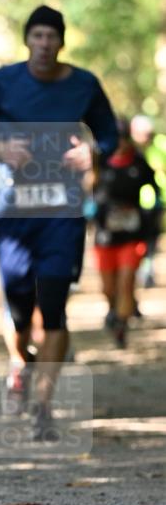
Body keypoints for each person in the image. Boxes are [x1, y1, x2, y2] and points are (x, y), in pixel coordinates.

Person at [0, 5, 118, 440]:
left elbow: (108, 132)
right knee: (17, 305)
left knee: (53, 303)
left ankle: (43, 405)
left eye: (52, 36)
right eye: (37, 36)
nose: (44, 44)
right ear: (27, 40)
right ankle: (20, 363)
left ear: (61, 42)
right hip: (12, 211)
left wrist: (96, 153)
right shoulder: (1, 82)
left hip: (63, 211)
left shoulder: (84, 84)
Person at [93, 117, 157, 347]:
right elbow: (88, 188)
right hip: (105, 235)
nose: (119, 143)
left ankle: (121, 323)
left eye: (123, 138)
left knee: (127, 280)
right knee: (108, 287)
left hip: (132, 234)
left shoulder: (138, 163)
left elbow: (155, 189)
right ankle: (112, 310)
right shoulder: (100, 161)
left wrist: (150, 212)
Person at [130, 114, 165, 290]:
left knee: (151, 239)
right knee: (135, 241)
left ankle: (147, 269)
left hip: (156, 202)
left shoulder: (161, 145)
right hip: (134, 203)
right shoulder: (129, 149)